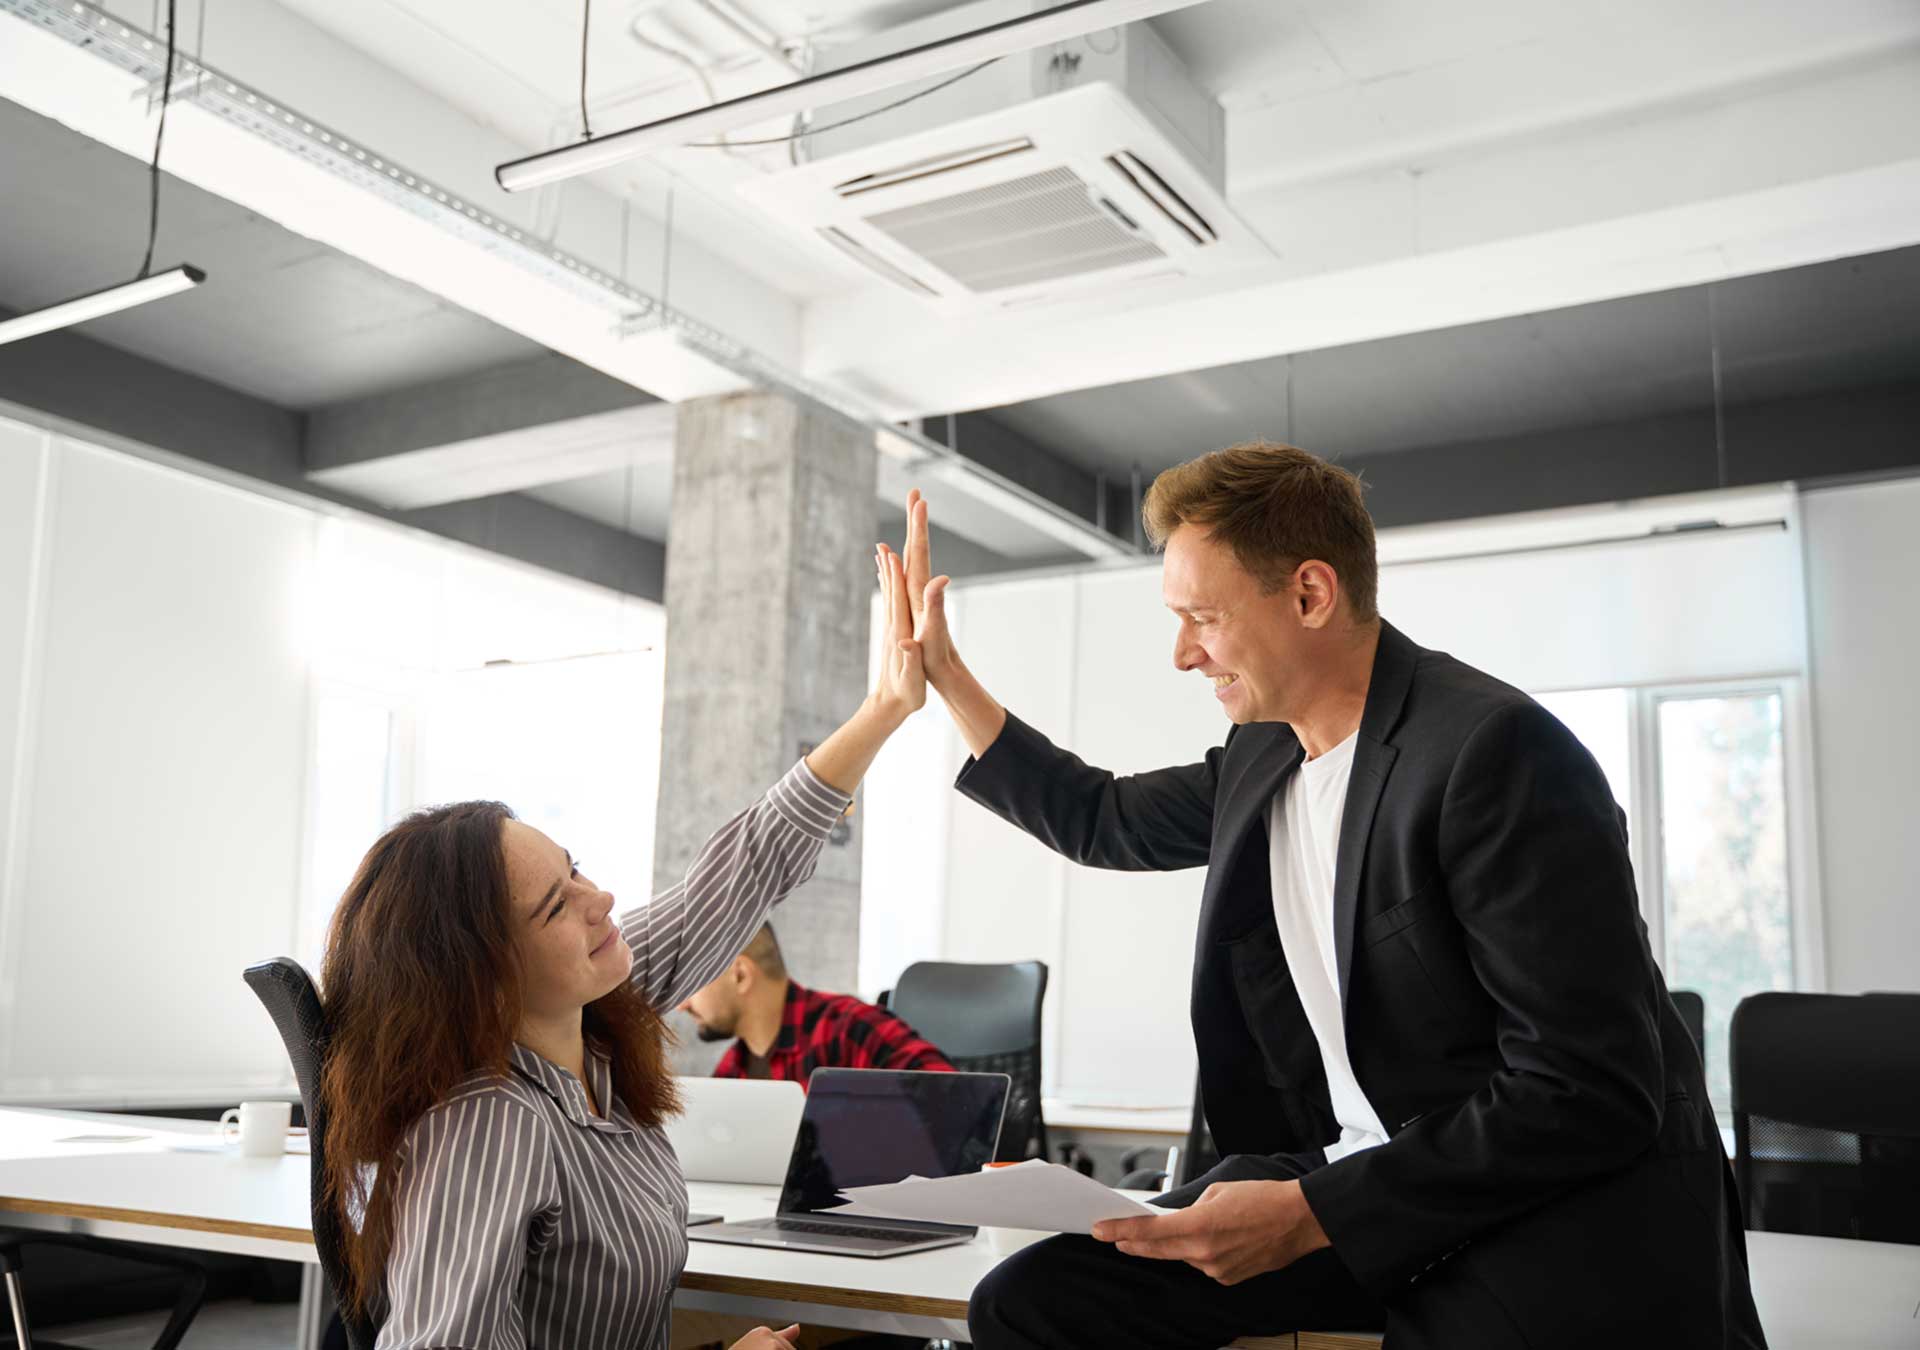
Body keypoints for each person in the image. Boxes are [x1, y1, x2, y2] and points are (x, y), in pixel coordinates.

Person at [891, 448, 1766, 1350]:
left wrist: (1314, 1212)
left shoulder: (1494, 753)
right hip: (1356, 1182)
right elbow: (1100, 816)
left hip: (1535, 1213)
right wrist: (945, 672)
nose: (1183, 653)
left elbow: (1587, 1092)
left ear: (1311, 595)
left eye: (1204, 618)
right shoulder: (1264, 760)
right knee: (1034, 1301)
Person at [317, 546, 929, 1350]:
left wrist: (884, 708)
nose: (599, 900)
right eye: (555, 906)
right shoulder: (490, 1122)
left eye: (575, 870)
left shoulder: (590, 1006)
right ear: (487, 978)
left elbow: (742, 869)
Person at [678, 922, 954, 1084]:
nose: (682, 1004)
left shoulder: (849, 1028)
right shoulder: (732, 1070)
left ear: (740, 975)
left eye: (691, 985)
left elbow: (953, 1094)